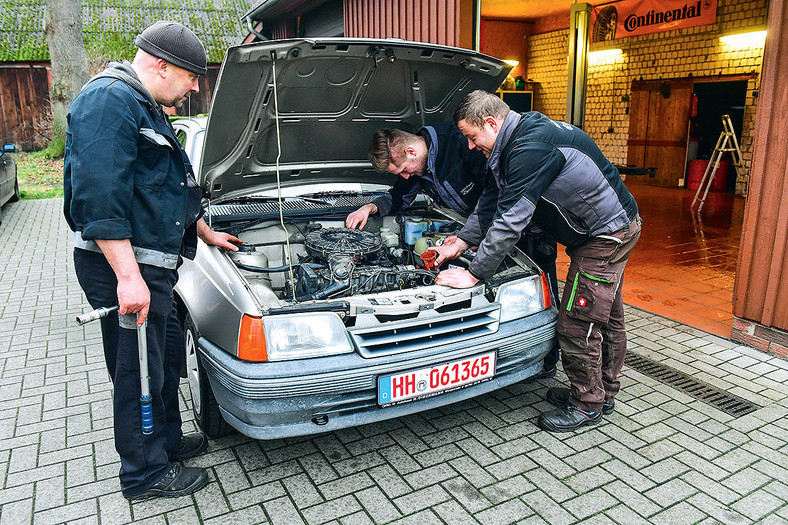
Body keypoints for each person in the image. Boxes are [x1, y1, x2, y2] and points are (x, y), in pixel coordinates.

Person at [64, 21, 240, 499]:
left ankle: (163, 442)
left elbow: (168, 186)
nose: (196, 87)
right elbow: (99, 200)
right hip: (125, 268)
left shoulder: (147, 105)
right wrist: (128, 277)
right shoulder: (108, 101)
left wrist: (204, 231)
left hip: (153, 267)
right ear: (162, 66)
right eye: (192, 76)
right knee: (136, 367)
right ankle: (144, 475)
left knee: (159, 358)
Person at [430, 90, 641, 432]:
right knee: (606, 315)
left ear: (491, 123)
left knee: (577, 322)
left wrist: (474, 273)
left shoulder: (531, 147)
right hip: (605, 230)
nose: (470, 146)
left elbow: (511, 218)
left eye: (472, 137)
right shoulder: (516, 140)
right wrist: (465, 241)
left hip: (606, 236)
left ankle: (588, 404)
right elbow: (494, 197)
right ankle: (600, 392)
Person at [347, 124, 561, 378]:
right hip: (479, 230)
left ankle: (546, 361)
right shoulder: (418, 170)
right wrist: (369, 208)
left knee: (538, 286)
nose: (405, 176)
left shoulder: (462, 145)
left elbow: (495, 196)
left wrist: (469, 239)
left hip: (523, 226)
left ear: (411, 151)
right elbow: (399, 196)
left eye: (404, 170)